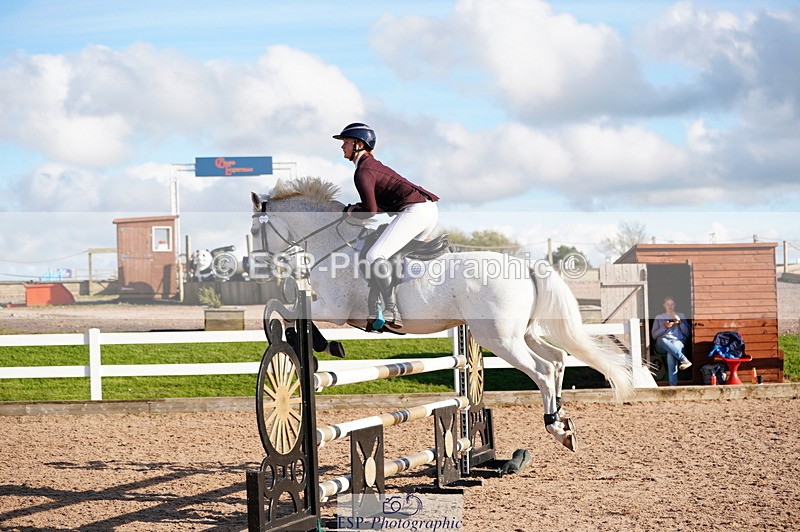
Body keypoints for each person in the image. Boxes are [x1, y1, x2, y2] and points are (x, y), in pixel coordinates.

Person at [333, 122, 439, 330]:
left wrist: (350, 212)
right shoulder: (370, 166)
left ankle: (392, 310)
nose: (342, 146)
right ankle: (377, 310)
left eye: (345, 142)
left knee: (374, 255)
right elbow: (377, 207)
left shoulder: (363, 171)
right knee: (389, 256)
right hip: (427, 211)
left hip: (416, 211)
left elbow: (371, 211)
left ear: (359, 144)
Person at [652, 296, 692, 386]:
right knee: (663, 340)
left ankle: (673, 385)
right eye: (668, 304)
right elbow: (654, 335)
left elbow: (687, 333)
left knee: (671, 353)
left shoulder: (681, 315)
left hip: (677, 341)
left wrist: (680, 322)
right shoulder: (659, 317)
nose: (670, 306)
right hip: (662, 344)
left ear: (675, 305)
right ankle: (684, 359)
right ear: (664, 306)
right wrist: (664, 327)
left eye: (672, 304)